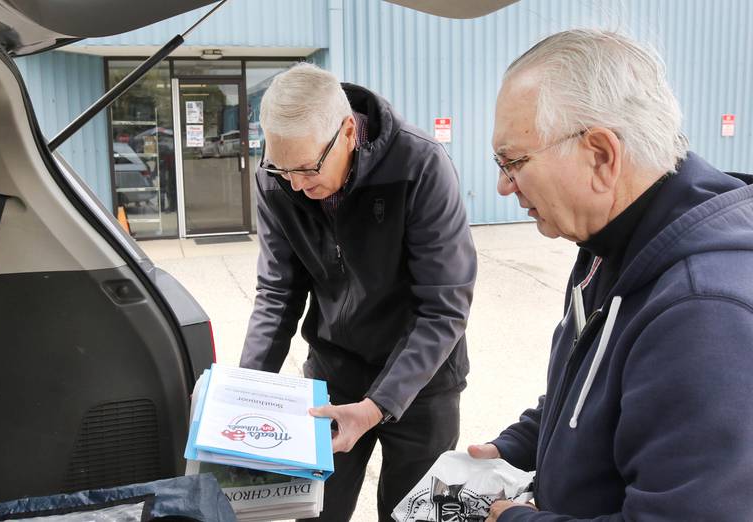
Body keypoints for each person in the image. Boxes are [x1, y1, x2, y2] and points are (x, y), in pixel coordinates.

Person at [468, 29, 753, 521]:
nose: (502, 185)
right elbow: (595, 389)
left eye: (513, 161)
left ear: (601, 155)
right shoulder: (609, 241)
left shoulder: (701, 310)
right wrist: (521, 444)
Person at [240, 63, 477, 521]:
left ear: (349, 130)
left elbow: (444, 306)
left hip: (422, 381)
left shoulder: (420, 165)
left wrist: (379, 404)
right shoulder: (278, 178)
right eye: (280, 167)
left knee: (412, 515)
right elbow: (277, 291)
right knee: (317, 511)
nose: (296, 185)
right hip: (335, 371)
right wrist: (245, 389)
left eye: (307, 168)